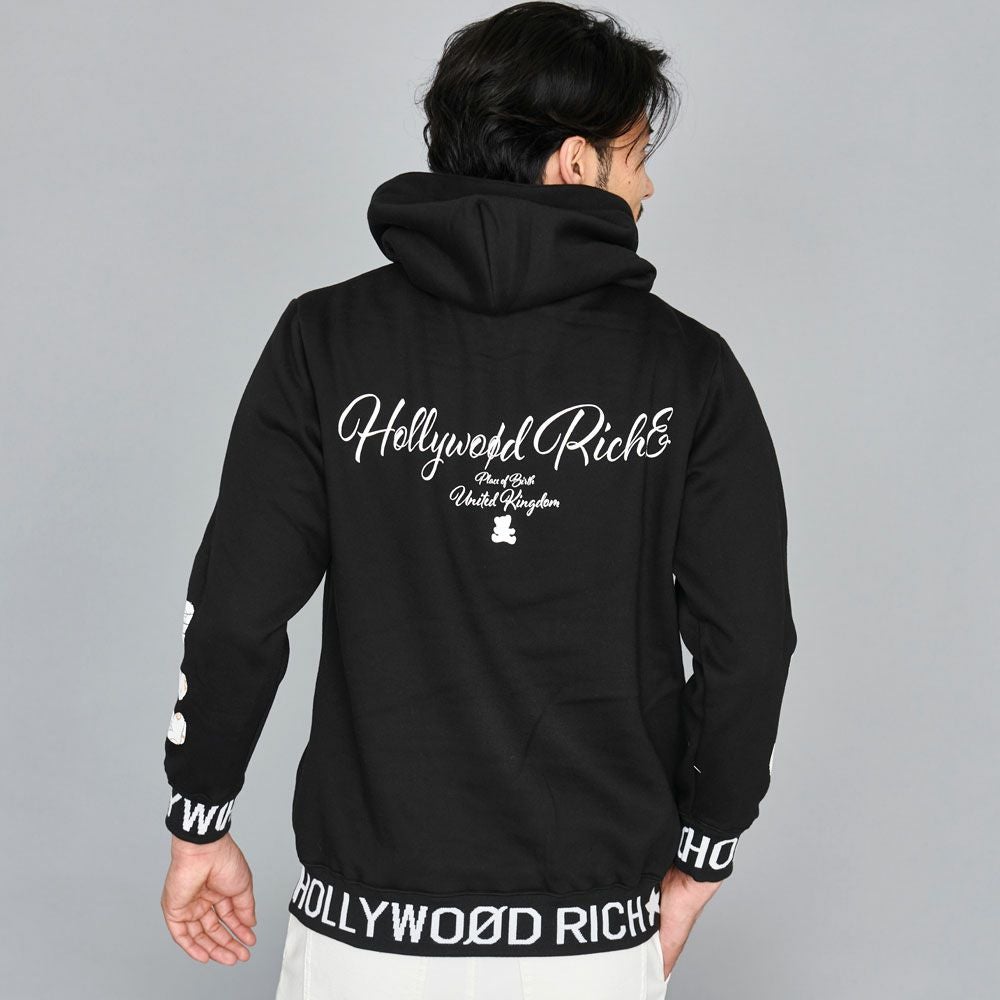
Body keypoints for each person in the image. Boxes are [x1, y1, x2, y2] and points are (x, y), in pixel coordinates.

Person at [158, 4, 798, 998]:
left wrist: (200, 818)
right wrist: (703, 855)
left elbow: (236, 611)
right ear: (576, 163)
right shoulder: (686, 368)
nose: (649, 184)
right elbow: (748, 643)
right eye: (637, 155)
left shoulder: (325, 340)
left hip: (362, 935)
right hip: (590, 937)